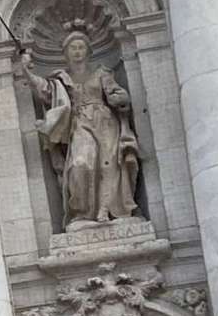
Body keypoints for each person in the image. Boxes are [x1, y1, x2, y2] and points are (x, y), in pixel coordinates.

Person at [21, 28, 143, 227]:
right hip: (79, 124)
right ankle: (83, 213)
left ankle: (107, 209)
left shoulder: (102, 73)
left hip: (105, 121)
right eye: (73, 48)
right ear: (66, 53)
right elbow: (43, 89)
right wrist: (26, 69)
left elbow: (118, 94)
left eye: (81, 47)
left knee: (109, 165)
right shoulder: (60, 79)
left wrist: (120, 97)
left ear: (88, 51)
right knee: (80, 163)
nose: (77, 51)